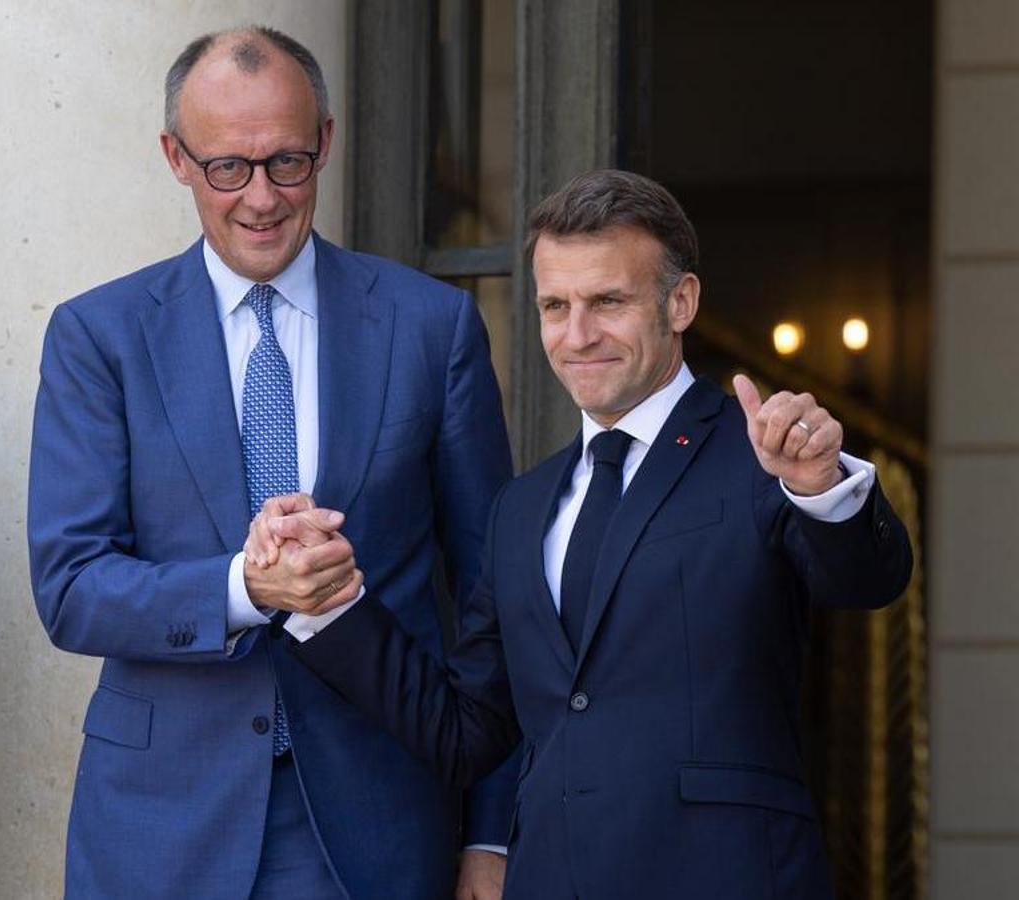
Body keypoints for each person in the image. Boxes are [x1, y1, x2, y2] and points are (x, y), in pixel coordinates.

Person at [254, 169, 914, 899]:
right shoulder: (523, 508)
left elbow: (867, 579)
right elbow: (466, 731)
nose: (577, 336)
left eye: (608, 302)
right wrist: (329, 602)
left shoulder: (764, 457)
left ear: (681, 301)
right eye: (554, 306)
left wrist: (821, 487)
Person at [26, 26, 518, 900]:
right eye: (228, 168)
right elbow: (71, 587)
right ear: (176, 158)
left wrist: (491, 833)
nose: (261, 197)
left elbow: (490, 597)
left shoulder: (430, 329)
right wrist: (245, 590)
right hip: (162, 827)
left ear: (326, 140)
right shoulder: (99, 335)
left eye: (287, 162)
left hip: (376, 821)